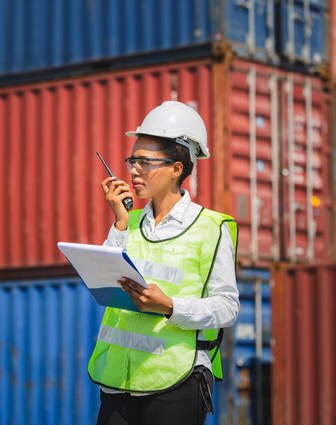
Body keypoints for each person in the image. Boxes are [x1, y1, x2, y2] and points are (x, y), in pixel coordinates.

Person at [87, 101, 240, 425]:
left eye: (144, 162)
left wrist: (171, 306)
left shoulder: (211, 228)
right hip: (118, 381)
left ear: (177, 168)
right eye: (132, 160)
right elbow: (104, 284)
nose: (133, 171)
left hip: (177, 380)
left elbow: (227, 307)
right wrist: (119, 222)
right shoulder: (128, 223)